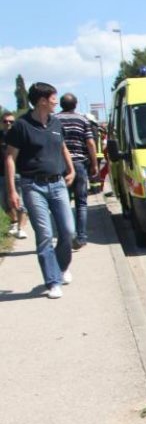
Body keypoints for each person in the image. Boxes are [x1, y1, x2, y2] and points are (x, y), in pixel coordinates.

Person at [4, 82, 76, 299]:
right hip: (32, 185)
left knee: (68, 231)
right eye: (54, 97)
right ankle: (53, 281)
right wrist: (11, 191)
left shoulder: (56, 122)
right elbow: (10, 157)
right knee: (44, 235)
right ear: (43, 100)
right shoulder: (21, 126)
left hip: (58, 184)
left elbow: (62, 147)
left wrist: (71, 169)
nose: (57, 101)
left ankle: (60, 267)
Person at [55, 93, 98, 249]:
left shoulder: (54, 120)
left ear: (60, 104)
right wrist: (94, 164)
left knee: (62, 202)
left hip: (59, 165)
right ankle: (81, 237)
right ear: (75, 104)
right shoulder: (82, 120)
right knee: (81, 203)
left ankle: (67, 236)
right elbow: (91, 143)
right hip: (80, 164)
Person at [1, 112, 28, 239]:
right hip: (1, 174)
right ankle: (14, 221)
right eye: (5, 121)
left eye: (11, 121)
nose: (8, 124)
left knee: (20, 202)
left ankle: (21, 228)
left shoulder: (19, 136)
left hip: (17, 173)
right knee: (4, 203)